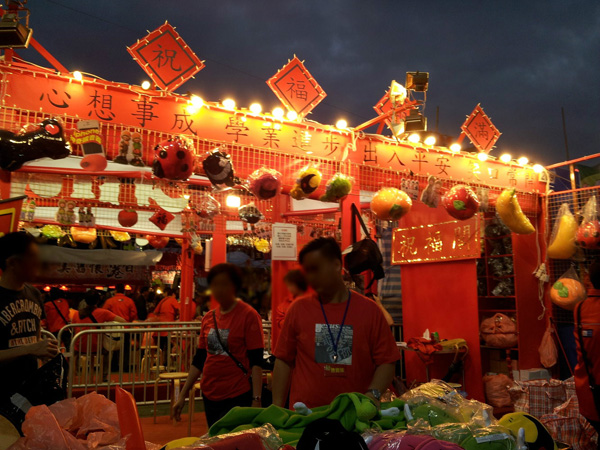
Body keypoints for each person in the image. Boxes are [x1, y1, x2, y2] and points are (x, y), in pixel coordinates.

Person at [273, 237, 399, 409]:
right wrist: (277, 409)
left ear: (336, 265)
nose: (311, 277)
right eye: (307, 271)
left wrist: (373, 395)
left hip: (354, 414)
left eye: (316, 269)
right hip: (305, 416)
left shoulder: (369, 310)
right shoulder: (298, 309)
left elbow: (387, 361)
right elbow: (283, 361)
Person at [172, 263, 264, 427]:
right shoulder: (208, 318)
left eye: (225, 284)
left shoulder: (249, 315)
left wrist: (256, 399)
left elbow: (256, 360)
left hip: (237, 393)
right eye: (215, 285)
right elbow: (200, 359)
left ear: (235, 286)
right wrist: (183, 395)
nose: (219, 289)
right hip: (210, 393)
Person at [0, 232, 58, 400]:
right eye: (32, 257)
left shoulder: (33, 293)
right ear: (12, 262)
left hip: (28, 389)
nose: (38, 262)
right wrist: (30, 349)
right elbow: (31, 346)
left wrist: (43, 348)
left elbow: (36, 336)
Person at [274, 269, 309, 335]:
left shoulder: (313, 302)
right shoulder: (285, 304)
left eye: (290, 285)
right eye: (288, 286)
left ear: (298, 284)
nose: (289, 288)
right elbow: (279, 321)